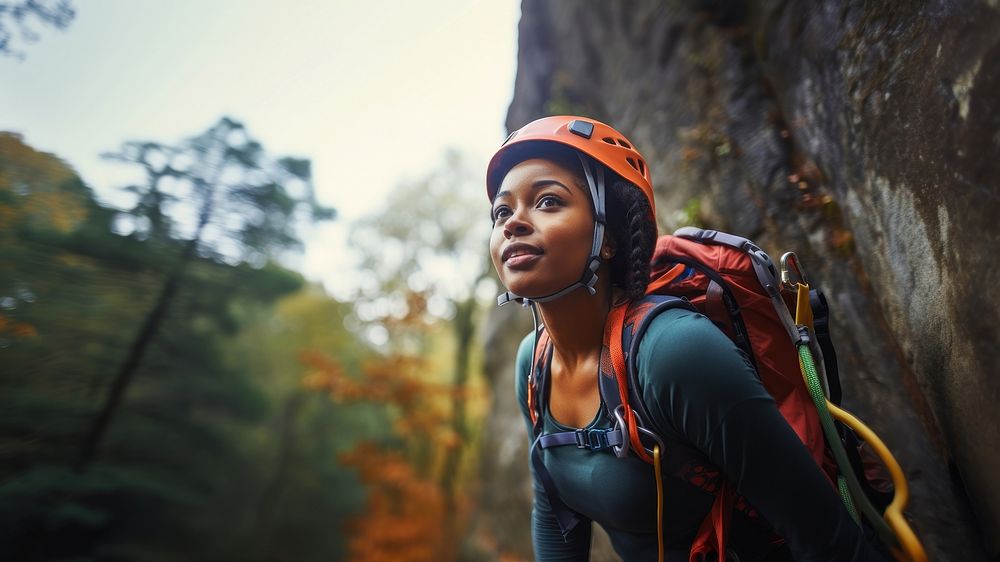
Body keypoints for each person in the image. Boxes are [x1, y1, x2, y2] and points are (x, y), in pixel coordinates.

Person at [486, 115, 887, 561]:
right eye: (502, 211)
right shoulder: (534, 365)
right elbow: (553, 513)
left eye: (547, 201)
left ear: (608, 238)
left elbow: (830, 543)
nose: (513, 223)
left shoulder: (673, 353)